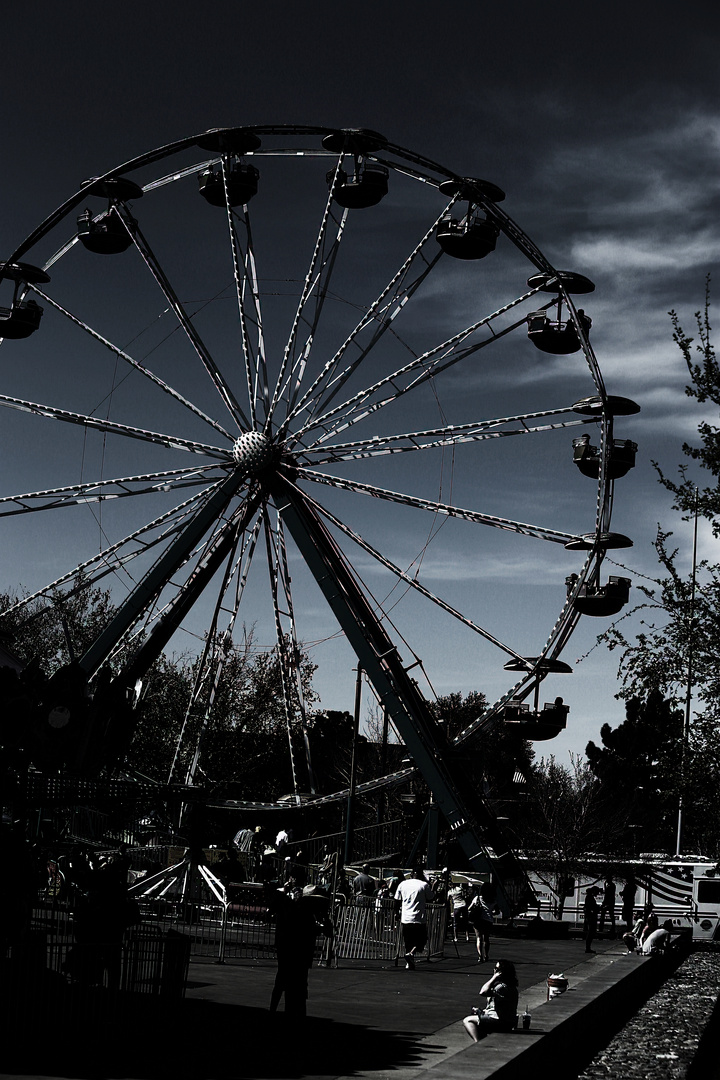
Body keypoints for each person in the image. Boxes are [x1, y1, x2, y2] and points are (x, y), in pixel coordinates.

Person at [462, 959, 519, 1042]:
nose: (494, 970)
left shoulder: (502, 988)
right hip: (507, 1021)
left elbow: (483, 992)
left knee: (468, 1020)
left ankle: (478, 1042)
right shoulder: (509, 986)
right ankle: (483, 1041)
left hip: (500, 1022)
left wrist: (494, 977)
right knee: (479, 1017)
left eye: (497, 969)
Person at [394, 867, 434, 969]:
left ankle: (409, 961)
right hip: (419, 918)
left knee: (408, 940)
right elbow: (431, 897)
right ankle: (411, 954)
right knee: (422, 940)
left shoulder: (403, 884)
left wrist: (396, 913)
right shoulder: (423, 885)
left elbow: (397, 900)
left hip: (406, 917)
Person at [468, 883, 495, 963]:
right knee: (486, 939)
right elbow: (496, 911)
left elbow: (469, 908)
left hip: (478, 920)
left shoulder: (477, 898)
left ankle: (480, 956)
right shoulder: (493, 900)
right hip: (488, 920)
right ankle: (486, 955)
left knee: (479, 938)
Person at [583, 885, 601, 953]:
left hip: (589, 916)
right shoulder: (590, 898)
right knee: (591, 932)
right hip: (591, 917)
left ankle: (588, 947)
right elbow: (591, 907)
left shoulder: (589, 897)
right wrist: (597, 908)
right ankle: (588, 948)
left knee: (591, 932)